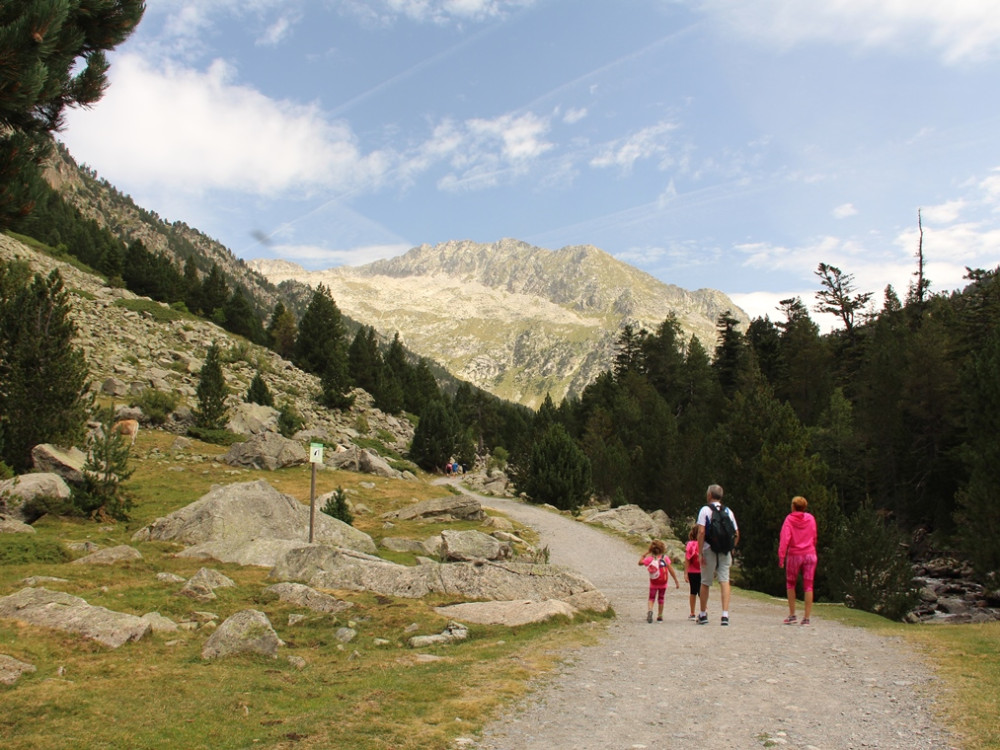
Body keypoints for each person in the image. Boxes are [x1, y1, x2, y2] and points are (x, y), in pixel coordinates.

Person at [696, 484, 739, 626]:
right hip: (725, 550)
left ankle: (703, 614)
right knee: (724, 580)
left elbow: (701, 532)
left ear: (709, 495)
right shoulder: (728, 511)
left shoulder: (705, 510)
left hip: (709, 549)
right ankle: (725, 615)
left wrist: (700, 551)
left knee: (705, 582)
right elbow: (736, 533)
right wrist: (731, 548)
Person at [778, 495, 818, 625]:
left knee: (791, 584)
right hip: (810, 554)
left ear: (793, 506)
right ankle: (806, 617)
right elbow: (814, 535)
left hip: (795, 554)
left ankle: (792, 614)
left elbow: (785, 539)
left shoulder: (789, 519)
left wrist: (781, 557)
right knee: (808, 586)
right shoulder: (811, 519)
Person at [639, 539, 680, 622]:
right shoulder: (665, 558)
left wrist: (645, 554)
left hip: (654, 582)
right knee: (661, 598)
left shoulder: (650, 559)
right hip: (663, 582)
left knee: (651, 598)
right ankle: (660, 616)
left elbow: (640, 563)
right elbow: (670, 569)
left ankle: (650, 610)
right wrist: (676, 580)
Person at [684, 524, 702, 620]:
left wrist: (685, 573)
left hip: (692, 571)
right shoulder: (703, 544)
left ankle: (692, 612)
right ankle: (704, 610)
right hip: (702, 571)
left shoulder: (690, 544)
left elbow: (687, 559)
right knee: (702, 591)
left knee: (693, 592)